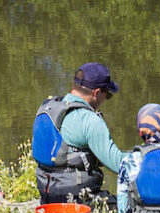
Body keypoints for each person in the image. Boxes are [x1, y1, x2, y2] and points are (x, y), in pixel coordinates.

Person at [31, 62, 124, 204]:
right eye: (107, 95)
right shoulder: (89, 120)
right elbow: (119, 165)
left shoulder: (48, 107)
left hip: (47, 196)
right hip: (77, 202)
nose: (106, 99)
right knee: (127, 209)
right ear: (96, 93)